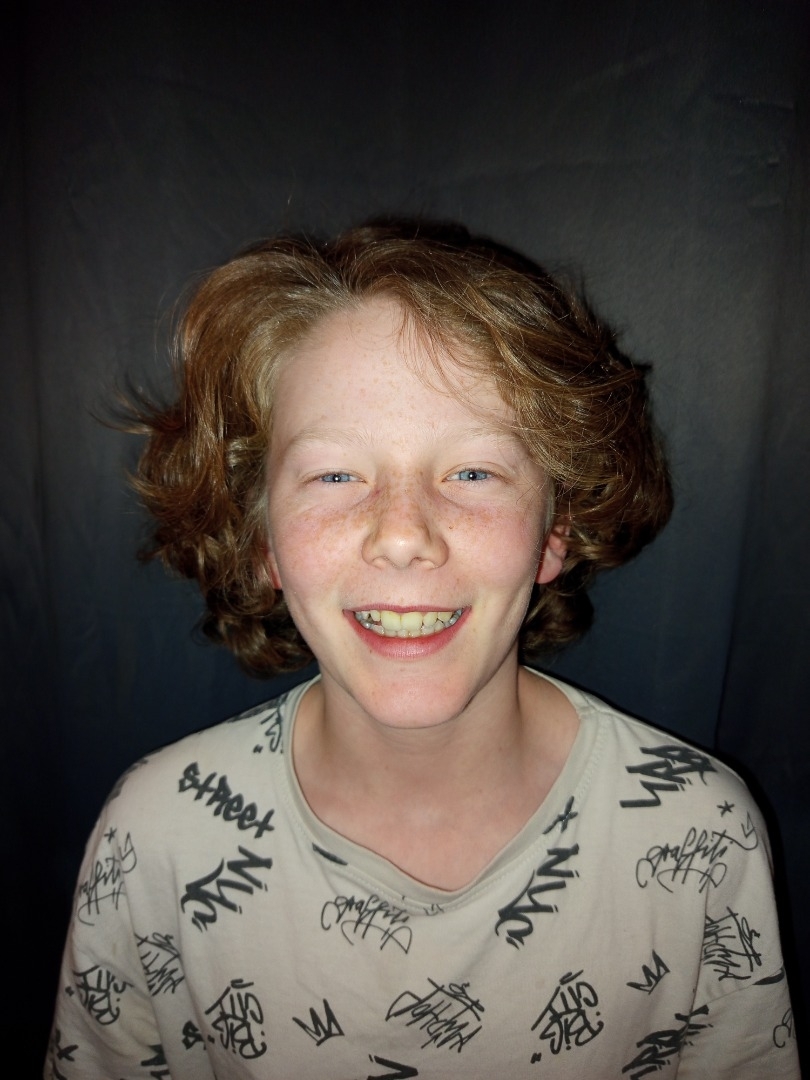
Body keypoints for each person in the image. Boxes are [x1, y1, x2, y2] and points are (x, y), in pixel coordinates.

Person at [45, 222, 798, 1078]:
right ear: (263, 542)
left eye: (473, 472)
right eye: (335, 476)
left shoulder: (701, 834)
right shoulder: (155, 839)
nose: (403, 536)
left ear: (554, 530)